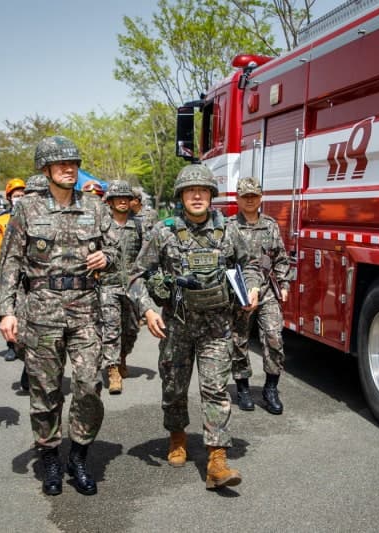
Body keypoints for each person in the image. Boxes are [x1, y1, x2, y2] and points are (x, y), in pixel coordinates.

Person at [128, 163, 260, 490]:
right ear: (182, 196)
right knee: (174, 388)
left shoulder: (229, 231)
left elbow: (250, 265)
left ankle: (217, 459)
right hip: (177, 325)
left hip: (217, 325)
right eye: (191, 191)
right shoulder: (164, 231)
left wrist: (253, 287)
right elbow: (134, 275)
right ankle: (177, 436)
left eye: (203, 190)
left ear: (212, 195)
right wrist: (147, 310)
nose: (197, 195)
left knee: (215, 388)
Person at [0, 135, 116, 497]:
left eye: (74, 164)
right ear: (46, 170)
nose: (69, 169)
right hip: (41, 311)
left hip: (84, 311)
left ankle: (78, 455)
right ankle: (50, 456)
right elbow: (9, 264)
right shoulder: (27, 209)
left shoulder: (96, 208)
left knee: (89, 386)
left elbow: (116, 250)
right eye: (62, 164)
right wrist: (6, 311)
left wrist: (107, 257)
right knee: (45, 391)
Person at [226, 177, 291, 414]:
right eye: (246, 196)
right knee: (238, 340)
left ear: (261, 197)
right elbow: (225, 262)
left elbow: (280, 257)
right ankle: (242, 388)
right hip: (240, 293)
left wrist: (283, 283)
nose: (250, 199)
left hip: (267, 292)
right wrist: (237, 291)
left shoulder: (271, 225)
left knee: (274, 337)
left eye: (254, 195)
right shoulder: (229, 226)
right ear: (238, 199)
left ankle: (270, 388)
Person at [98, 180, 142, 394]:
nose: (123, 201)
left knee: (132, 329)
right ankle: (112, 369)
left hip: (133, 287)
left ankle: (123, 356)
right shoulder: (101, 227)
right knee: (111, 328)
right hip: (108, 286)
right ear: (110, 201)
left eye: (126, 198)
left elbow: (147, 256)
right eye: (118, 198)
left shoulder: (139, 225)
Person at [0, 178, 26, 363]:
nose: (20, 198)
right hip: (6, 270)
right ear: (9, 197)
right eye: (16, 196)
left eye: (22, 195)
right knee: (8, 309)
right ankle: (11, 346)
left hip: (27, 273)